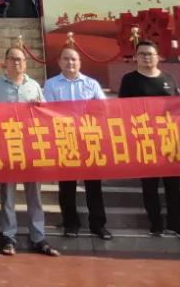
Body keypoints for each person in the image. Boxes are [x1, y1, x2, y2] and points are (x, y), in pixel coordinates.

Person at [0, 48, 59, 256]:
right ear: (5, 62)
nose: (16, 63)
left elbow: (45, 114)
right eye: (12, 59)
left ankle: (38, 237)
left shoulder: (34, 86)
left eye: (20, 59)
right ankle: (8, 236)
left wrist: (38, 107)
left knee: (34, 195)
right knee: (7, 195)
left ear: (25, 63)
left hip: (30, 147)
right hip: (7, 146)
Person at [118, 40, 180, 238]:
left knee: (173, 185)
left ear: (158, 57)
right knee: (149, 185)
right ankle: (156, 223)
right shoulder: (130, 80)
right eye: (142, 54)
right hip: (145, 139)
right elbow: (122, 109)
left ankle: (175, 222)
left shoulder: (168, 79)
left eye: (150, 54)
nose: (146, 57)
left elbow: (178, 105)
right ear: (135, 57)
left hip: (169, 140)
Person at [43, 47, 111, 240]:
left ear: (80, 62)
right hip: (65, 139)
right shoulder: (51, 84)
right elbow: (49, 111)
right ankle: (70, 223)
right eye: (66, 59)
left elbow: (104, 108)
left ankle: (98, 224)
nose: (70, 63)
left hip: (89, 138)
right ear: (59, 62)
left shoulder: (91, 84)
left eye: (73, 59)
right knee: (67, 185)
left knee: (93, 185)